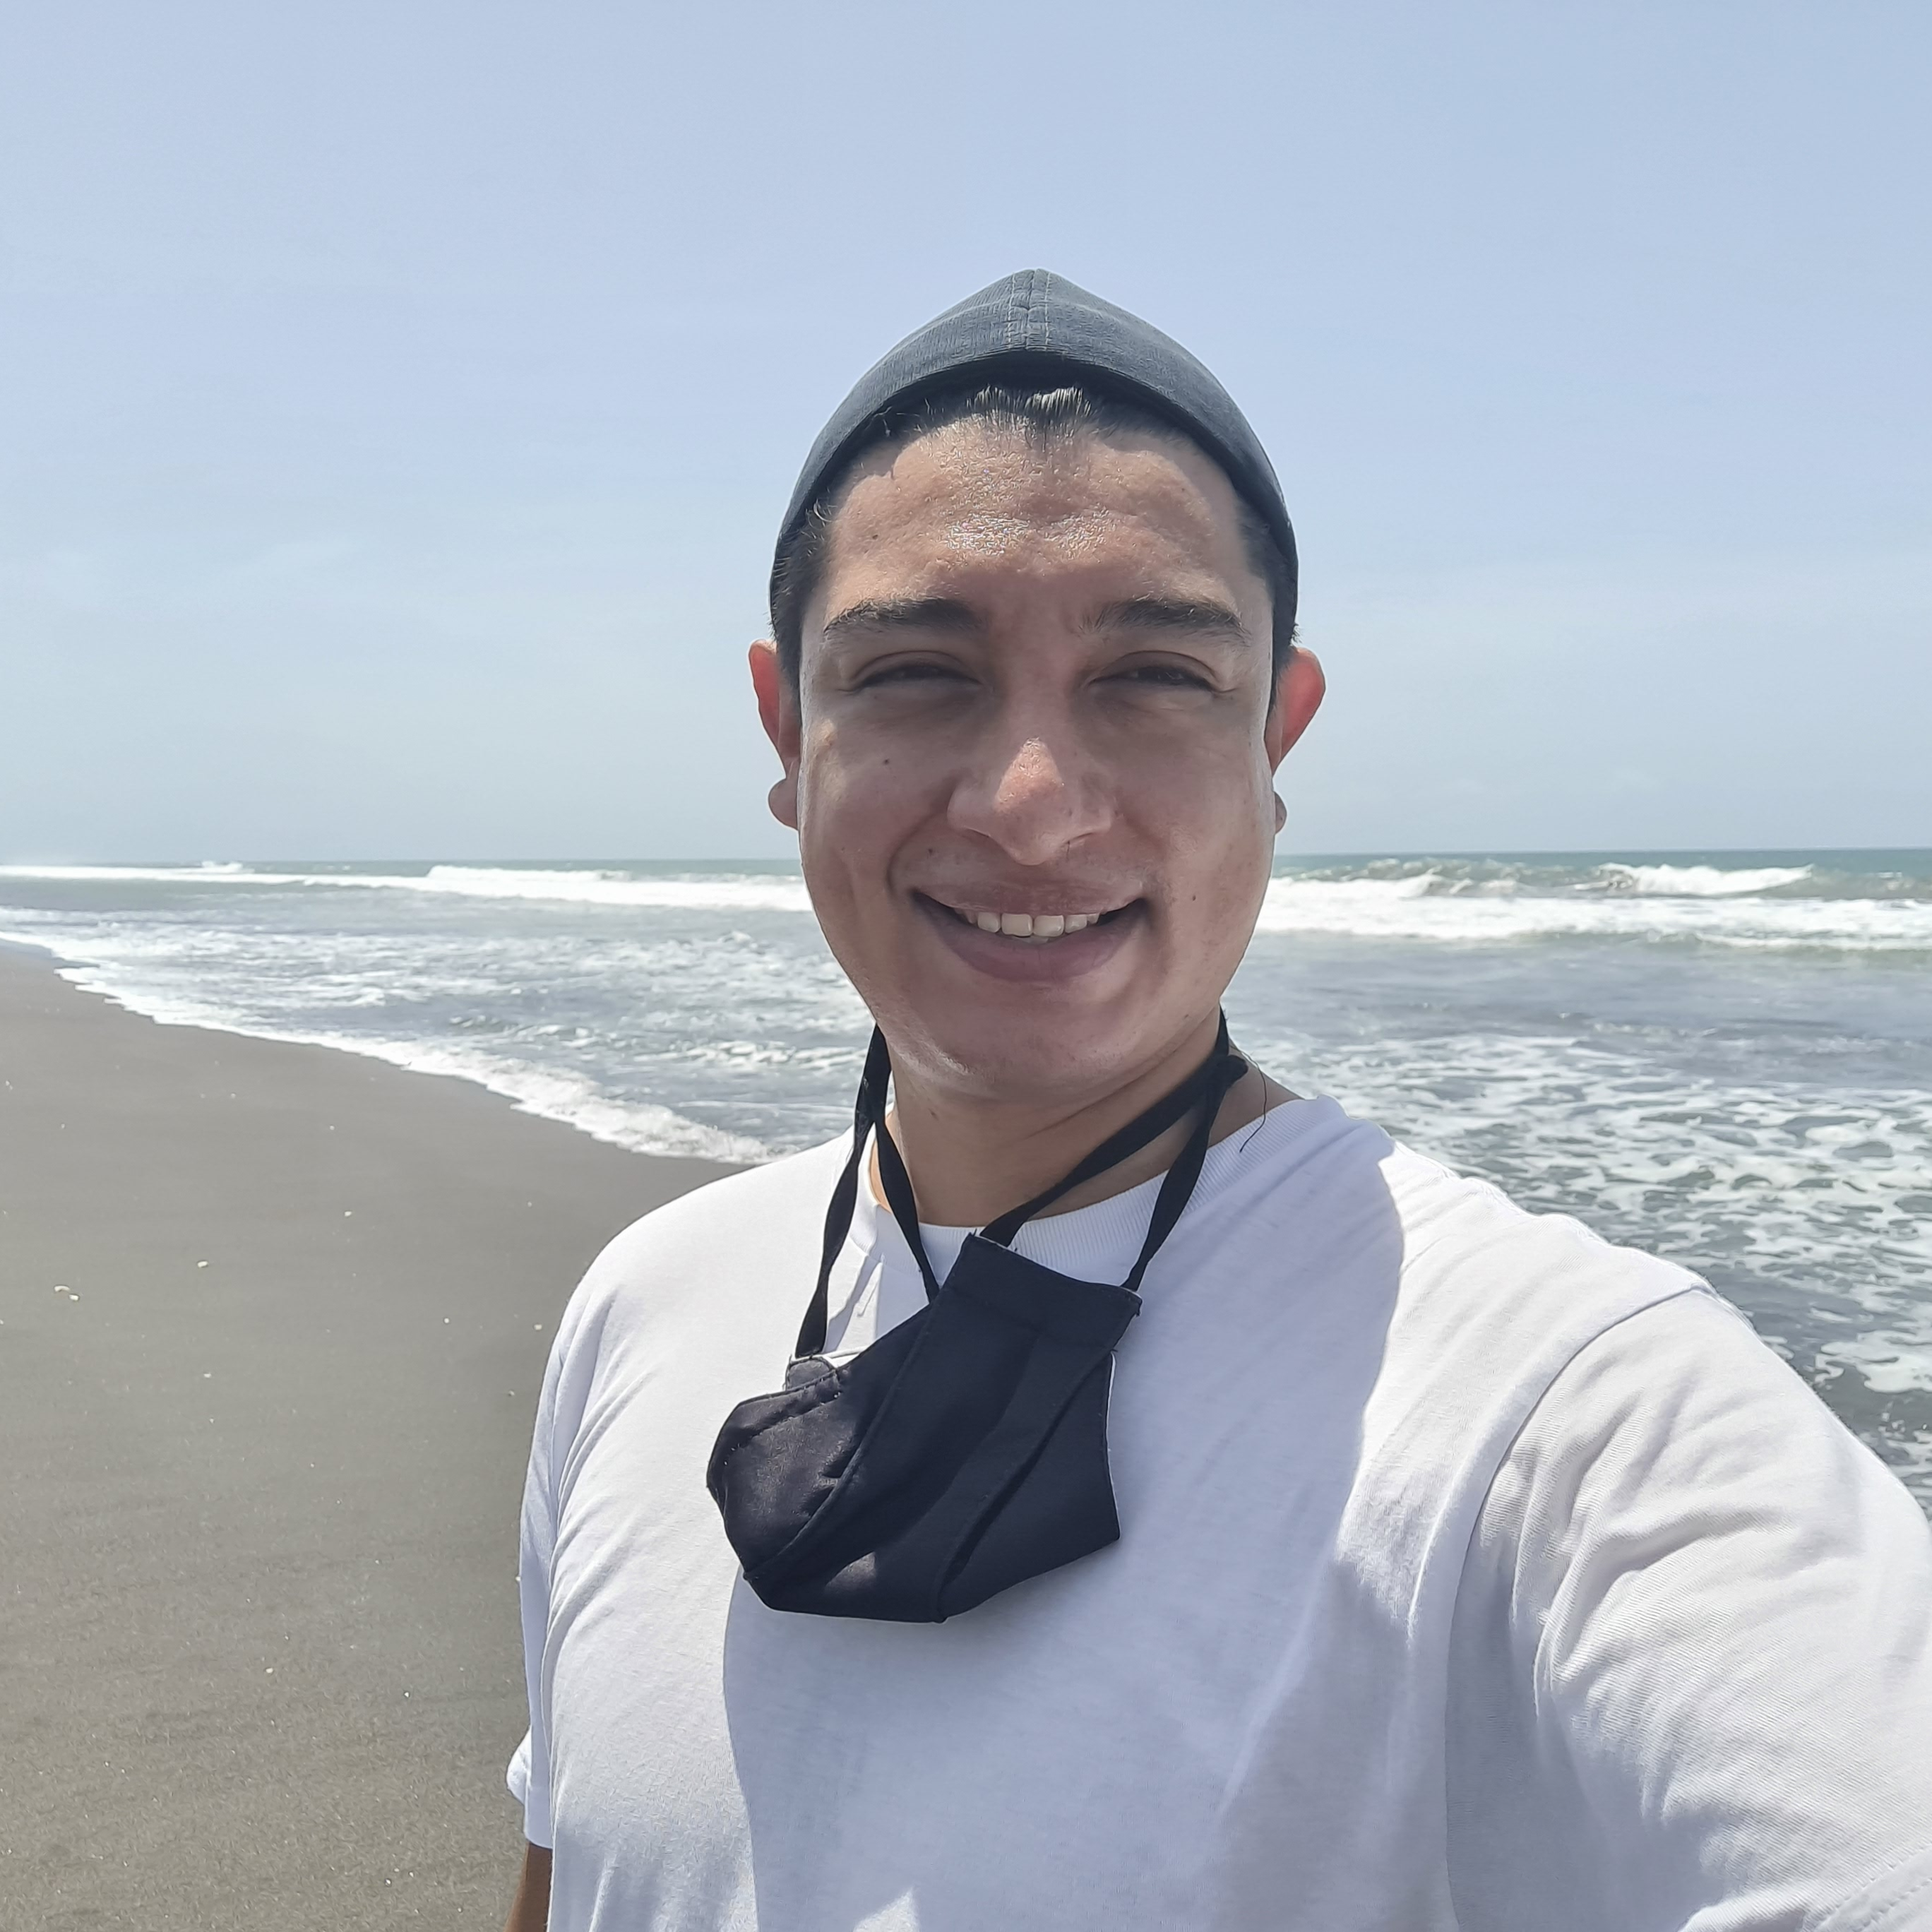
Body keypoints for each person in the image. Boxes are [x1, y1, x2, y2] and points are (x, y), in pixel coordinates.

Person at [503, 270, 1932, 1931]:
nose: (1031, 805)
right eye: (914, 670)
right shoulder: (648, 1302)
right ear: (785, 723)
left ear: (1277, 734)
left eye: (1156, 675)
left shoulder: (1569, 1409)